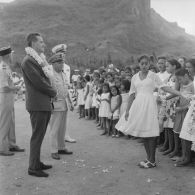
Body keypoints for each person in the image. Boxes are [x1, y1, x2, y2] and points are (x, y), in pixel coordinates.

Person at [115, 55, 182, 169]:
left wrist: (178, 93)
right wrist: (127, 111)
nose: (144, 65)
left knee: (150, 133)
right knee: (144, 134)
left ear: (149, 64)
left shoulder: (153, 75)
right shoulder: (135, 77)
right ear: (139, 64)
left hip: (150, 105)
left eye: (146, 63)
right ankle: (149, 158)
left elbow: (164, 87)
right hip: (138, 105)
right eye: (142, 63)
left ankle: (152, 160)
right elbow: (131, 94)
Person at [21, 33, 57, 177]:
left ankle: (36, 163)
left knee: (40, 135)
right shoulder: (28, 61)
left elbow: (43, 79)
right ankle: (33, 168)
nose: (44, 44)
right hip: (37, 104)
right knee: (37, 135)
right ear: (33, 43)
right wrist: (53, 92)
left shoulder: (37, 60)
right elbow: (38, 82)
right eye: (41, 42)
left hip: (42, 102)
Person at [0, 47, 25, 156]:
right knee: (4, 123)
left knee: (11, 122)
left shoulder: (7, 67)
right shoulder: (3, 68)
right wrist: (15, 88)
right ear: (7, 55)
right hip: (5, 97)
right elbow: (4, 87)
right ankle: (2, 148)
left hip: (9, 97)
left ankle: (11, 144)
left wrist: (14, 87)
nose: (12, 56)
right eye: (11, 54)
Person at [49, 53, 74, 160]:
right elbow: (48, 91)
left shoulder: (63, 74)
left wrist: (70, 102)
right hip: (55, 104)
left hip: (64, 103)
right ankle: (53, 150)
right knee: (54, 129)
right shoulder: (50, 75)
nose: (62, 64)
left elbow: (66, 89)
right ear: (53, 63)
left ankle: (61, 147)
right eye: (59, 63)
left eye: (62, 62)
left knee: (62, 128)